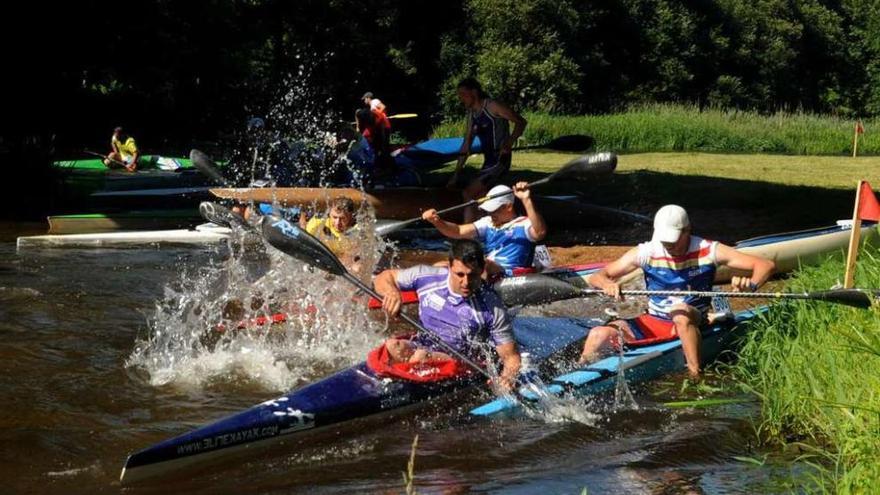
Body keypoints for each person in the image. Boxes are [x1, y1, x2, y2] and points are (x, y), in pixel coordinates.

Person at [579, 205, 776, 377]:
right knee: (598, 334)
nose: (669, 246)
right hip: (653, 320)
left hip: (692, 317)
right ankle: (576, 379)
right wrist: (607, 284)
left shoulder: (709, 250)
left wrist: (750, 285)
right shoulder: (647, 252)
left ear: (687, 230)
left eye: (673, 241)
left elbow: (764, 265)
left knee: (680, 312)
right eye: (665, 241)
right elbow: (599, 276)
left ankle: (695, 374)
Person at [373, 239, 521, 390]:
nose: (465, 282)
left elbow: (511, 358)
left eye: (472, 275)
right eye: (460, 274)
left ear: (482, 270)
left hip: (459, 361)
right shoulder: (425, 276)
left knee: (420, 357)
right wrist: (391, 293)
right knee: (391, 344)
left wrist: (507, 377)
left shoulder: (492, 308)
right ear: (449, 267)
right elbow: (384, 277)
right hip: (423, 344)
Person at [420, 182, 547, 278]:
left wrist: (526, 199)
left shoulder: (525, 224)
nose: (491, 214)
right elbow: (458, 231)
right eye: (489, 211)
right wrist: (436, 221)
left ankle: (476, 297)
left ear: (508, 207)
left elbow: (540, 233)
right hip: (487, 269)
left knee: (483, 264)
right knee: (440, 265)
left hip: (511, 272)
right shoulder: (487, 222)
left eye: (494, 210)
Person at [447, 78, 527, 223]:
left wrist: (509, 142)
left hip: (499, 161)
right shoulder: (472, 114)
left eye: (463, 95)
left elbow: (521, 122)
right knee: (481, 196)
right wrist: (456, 173)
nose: (461, 99)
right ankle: (490, 228)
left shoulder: (492, 106)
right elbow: (467, 142)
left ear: (474, 92)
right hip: (488, 162)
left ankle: (468, 234)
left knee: (468, 193)